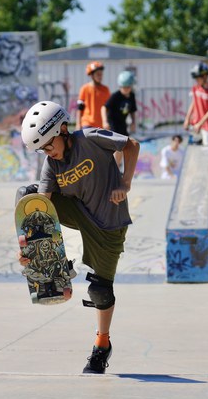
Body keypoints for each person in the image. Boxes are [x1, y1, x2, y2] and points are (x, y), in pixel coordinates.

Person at [17, 101, 140, 374]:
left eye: (50, 145)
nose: (49, 153)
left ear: (63, 130)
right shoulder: (51, 164)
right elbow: (43, 205)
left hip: (110, 224)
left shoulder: (90, 138)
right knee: (29, 197)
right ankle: (52, 267)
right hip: (79, 212)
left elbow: (131, 145)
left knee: (100, 291)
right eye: (42, 150)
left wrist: (125, 183)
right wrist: (30, 247)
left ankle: (102, 345)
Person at [102, 70, 138, 166]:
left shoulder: (131, 96)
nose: (125, 89)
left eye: (127, 87)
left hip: (122, 124)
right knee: (118, 146)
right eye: (123, 87)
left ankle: (117, 166)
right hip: (113, 124)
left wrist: (133, 122)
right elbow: (104, 108)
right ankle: (114, 167)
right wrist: (105, 121)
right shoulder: (116, 96)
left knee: (124, 146)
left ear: (131, 86)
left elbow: (132, 111)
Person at [183, 62, 208, 146]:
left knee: (207, 148)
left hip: (206, 126)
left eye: (198, 78)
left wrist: (200, 123)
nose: (197, 81)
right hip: (195, 123)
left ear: (205, 76)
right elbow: (193, 103)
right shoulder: (195, 88)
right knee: (194, 147)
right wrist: (187, 119)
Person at [77, 61, 111, 129]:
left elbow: (109, 108)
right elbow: (80, 108)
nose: (100, 76)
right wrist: (78, 124)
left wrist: (107, 122)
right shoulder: (84, 88)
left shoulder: (105, 89)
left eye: (101, 74)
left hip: (101, 125)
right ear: (91, 75)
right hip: (87, 123)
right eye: (98, 74)